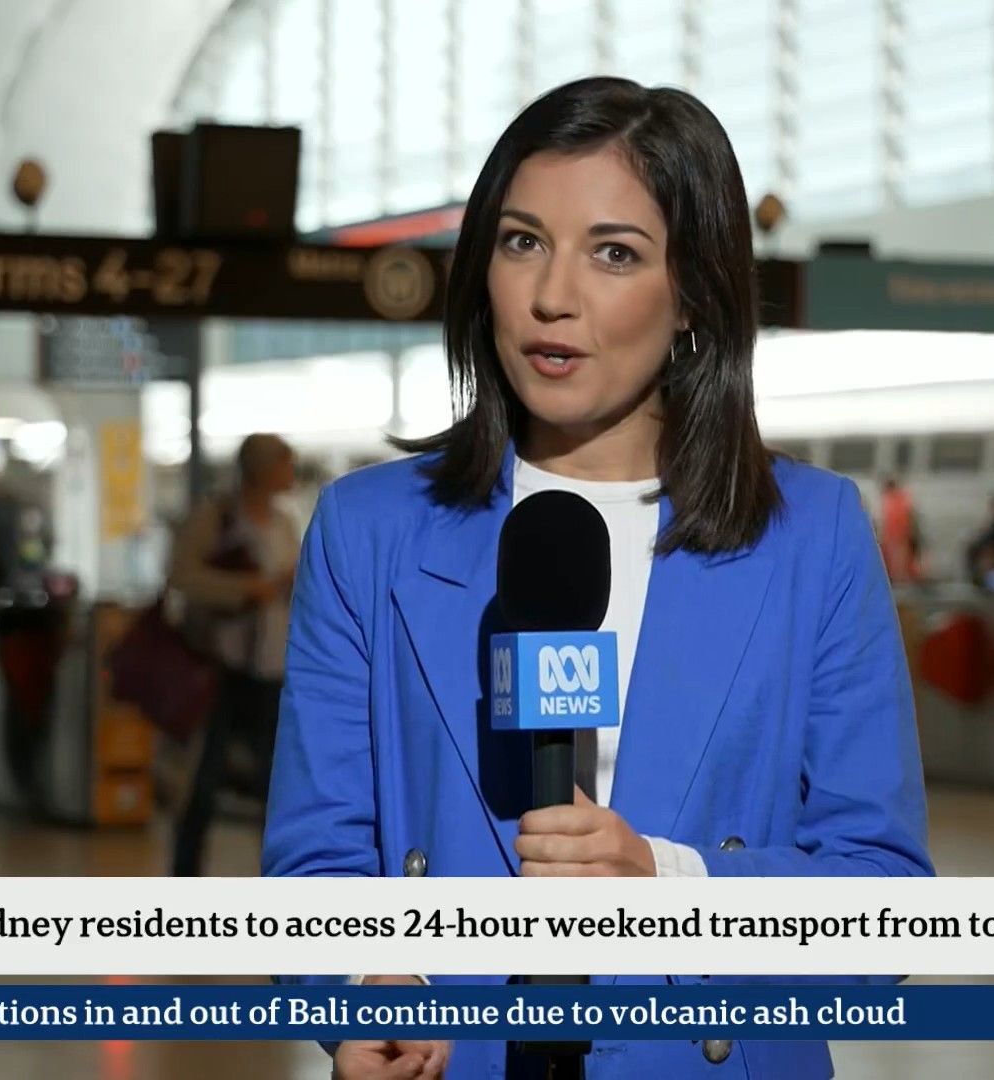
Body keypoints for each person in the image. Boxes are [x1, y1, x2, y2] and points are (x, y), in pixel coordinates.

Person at [260, 77, 932, 1080]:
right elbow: (314, 859)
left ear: (693, 295)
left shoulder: (813, 538)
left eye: (614, 253)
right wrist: (360, 984)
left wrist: (666, 883)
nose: (552, 296)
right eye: (522, 241)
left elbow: (884, 901)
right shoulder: (370, 534)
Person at [168, 433, 299, 877]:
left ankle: (276, 870)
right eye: (284, 463)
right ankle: (185, 873)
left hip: (272, 666)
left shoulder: (284, 523)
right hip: (220, 665)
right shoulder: (216, 518)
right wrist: (247, 589)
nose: (291, 472)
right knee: (202, 779)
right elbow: (183, 577)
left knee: (274, 781)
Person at [877, 476, 922, 584]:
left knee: (899, 560)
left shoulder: (893, 501)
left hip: (898, 536)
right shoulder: (902, 499)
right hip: (901, 536)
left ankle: (901, 579)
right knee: (901, 560)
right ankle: (903, 578)